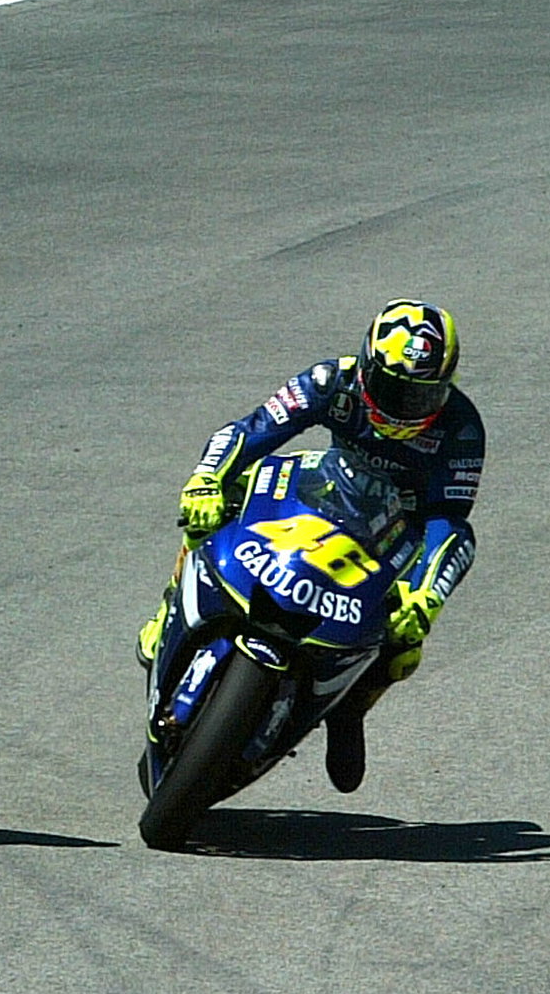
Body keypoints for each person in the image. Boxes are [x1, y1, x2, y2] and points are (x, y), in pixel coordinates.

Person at [137, 299, 485, 794]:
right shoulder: (331, 381)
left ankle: (350, 708)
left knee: (404, 646)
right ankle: (172, 601)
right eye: (391, 390)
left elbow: (449, 522)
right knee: (216, 506)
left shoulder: (462, 429)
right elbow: (253, 429)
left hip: (392, 530)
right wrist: (206, 479)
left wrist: (425, 596)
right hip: (325, 491)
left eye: (420, 396)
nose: (403, 408)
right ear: (366, 367)